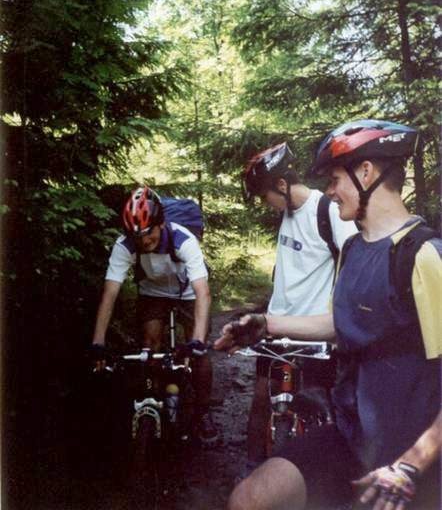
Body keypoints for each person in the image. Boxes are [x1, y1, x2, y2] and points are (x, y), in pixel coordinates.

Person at [216, 119, 441, 510]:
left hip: (415, 457)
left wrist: (411, 465)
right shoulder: (353, 250)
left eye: (335, 179)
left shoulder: (422, 255)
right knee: (249, 499)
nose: (330, 192)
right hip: (352, 439)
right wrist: (265, 325)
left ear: (366, 172)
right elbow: (342, 323)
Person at [241, 143, 357, 475]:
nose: (266, 204)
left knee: (315, 407)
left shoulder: (327, 211)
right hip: (274, 326)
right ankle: (254, 470)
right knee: (261, 400)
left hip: (312, 331)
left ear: (282, 185)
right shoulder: (288, 212)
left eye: (266, 196)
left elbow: (353, 264)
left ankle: (317, 477)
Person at [91, 185, 218, 445]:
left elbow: (203, 293)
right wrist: (98, 342)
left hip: (187, 291)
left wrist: (197, 340)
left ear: (160, 223)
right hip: (153, 291)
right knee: (149, 345)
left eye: (149, 234)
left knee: (199, 351)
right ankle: (153, 399)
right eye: (137, 237)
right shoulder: (125, 245)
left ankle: (202, 412)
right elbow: (109, 294)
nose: (144, 242)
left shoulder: (183, 239)